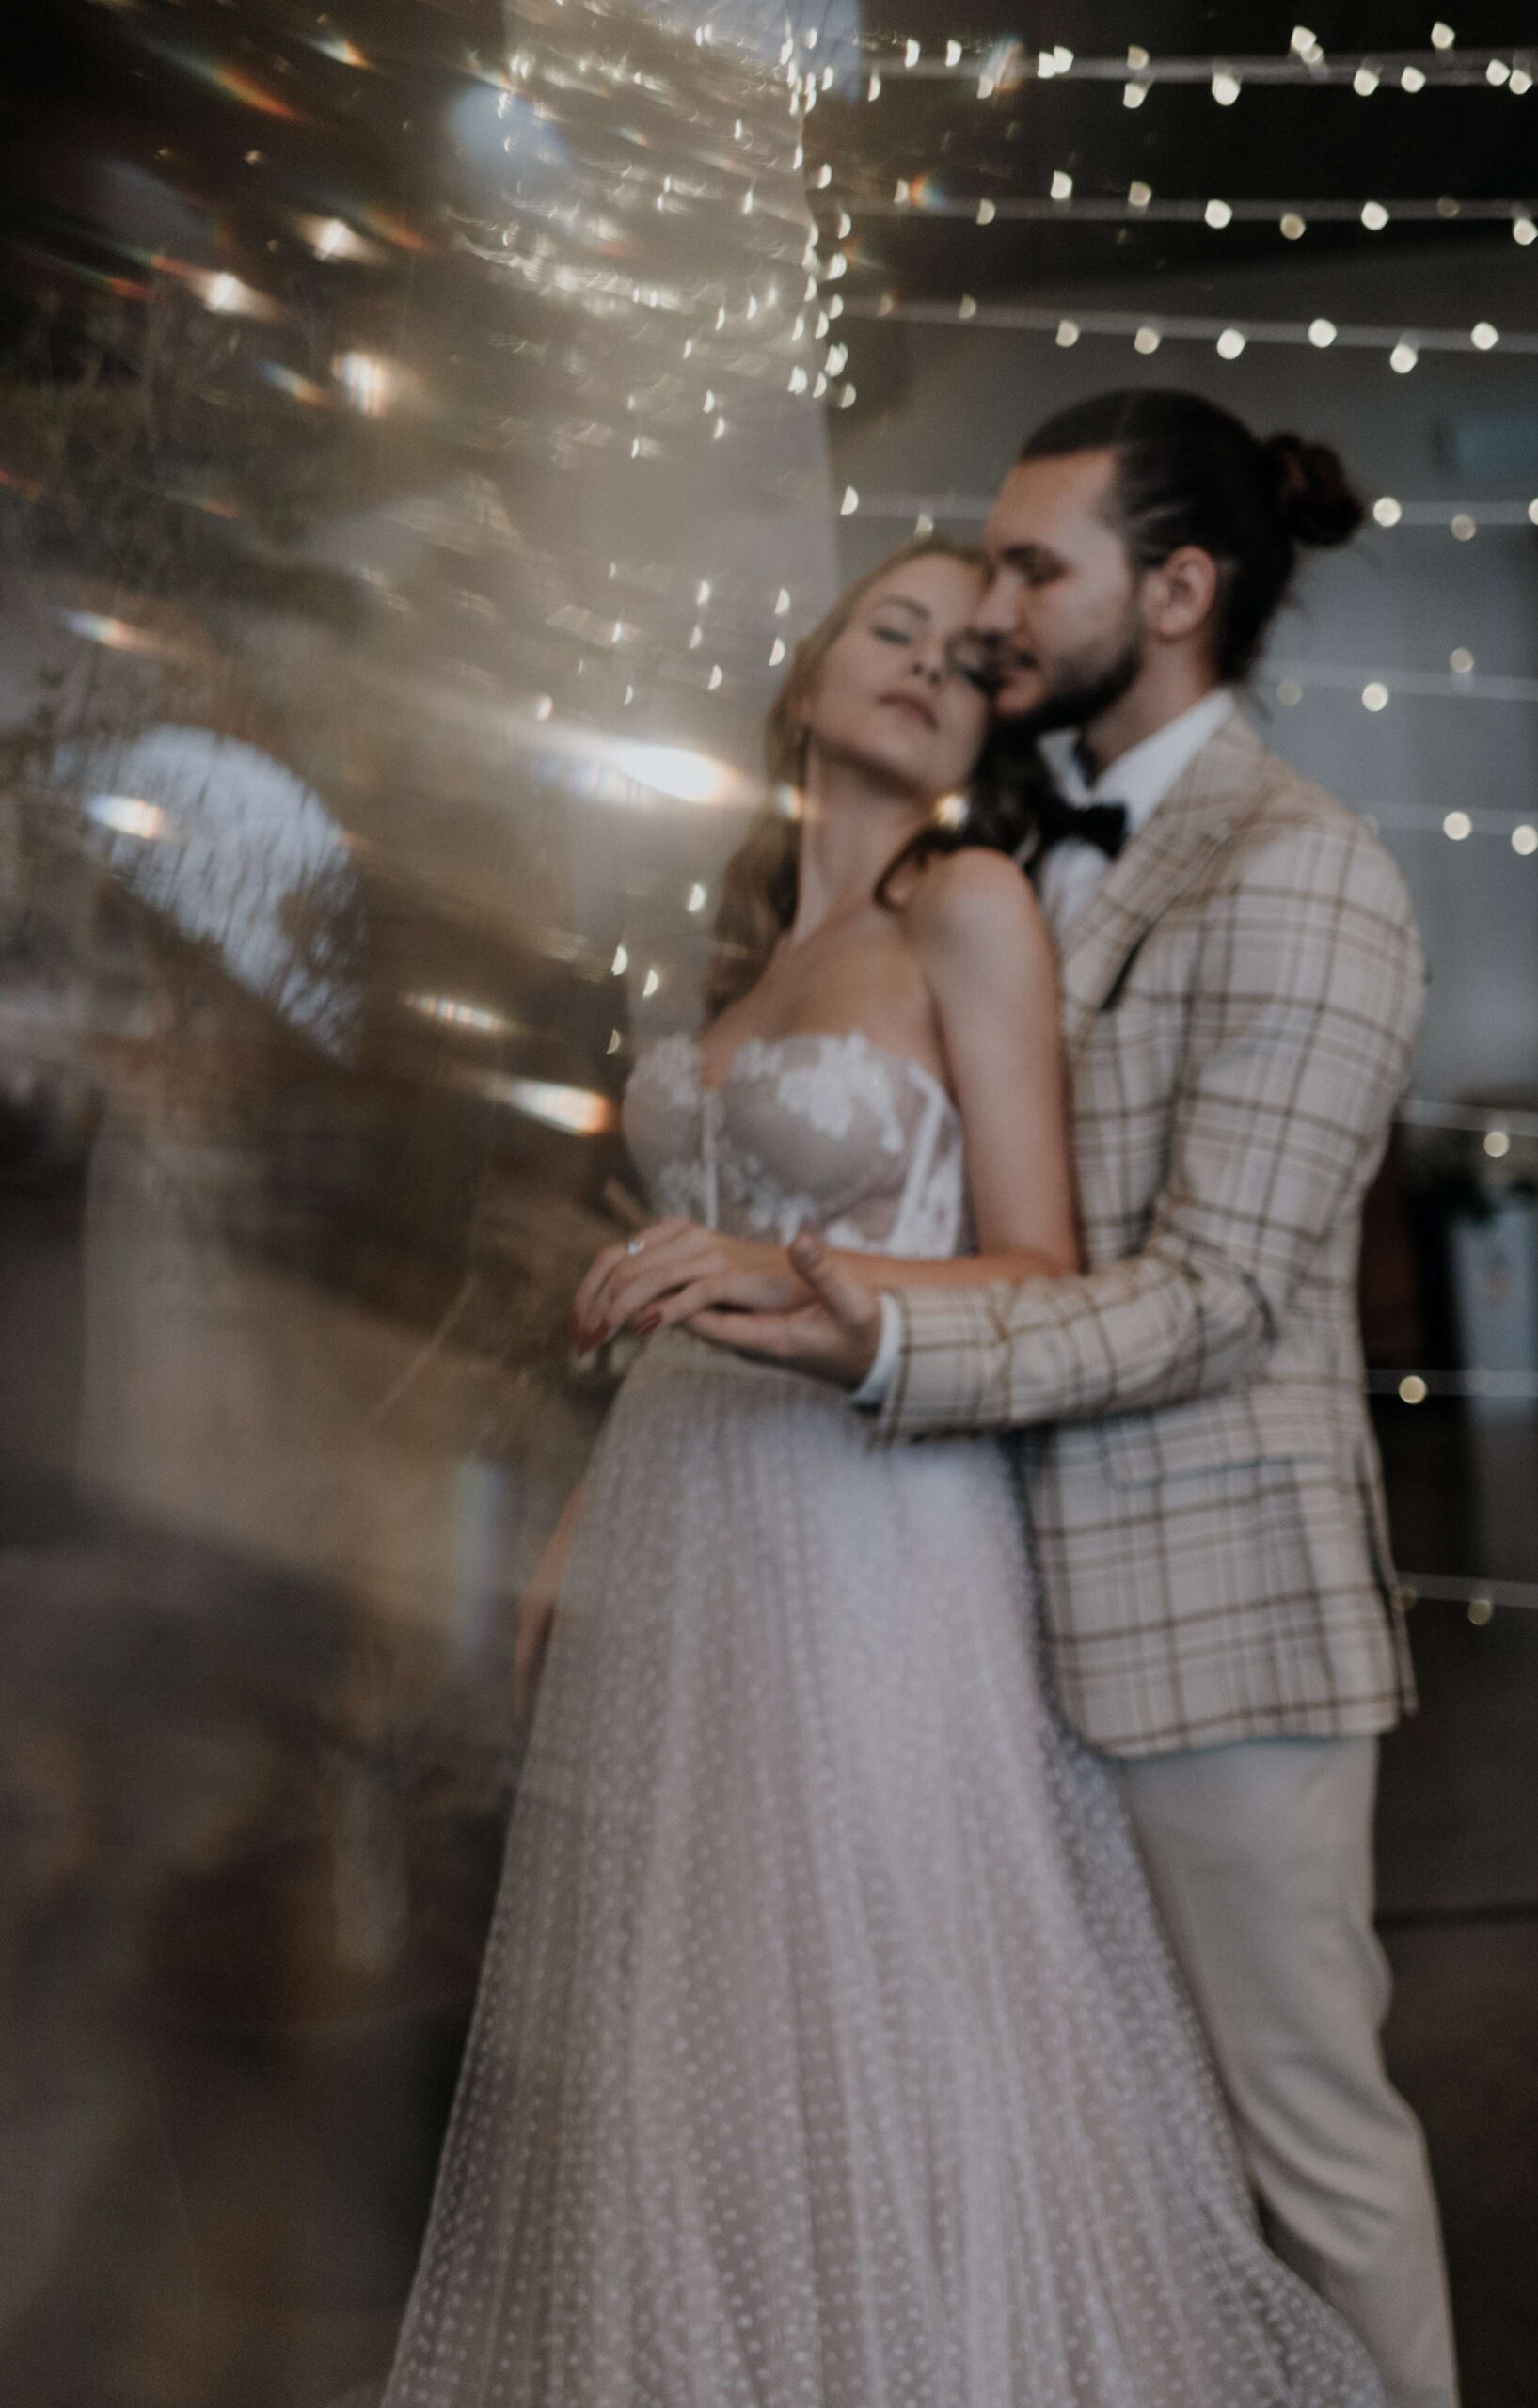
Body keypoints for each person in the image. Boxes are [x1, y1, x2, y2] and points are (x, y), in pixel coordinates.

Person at [383, 538, 1385, 2406]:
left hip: (875, 1517)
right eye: (894, 627)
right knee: (708, 1994)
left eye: (970, 659)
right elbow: (681, 1287)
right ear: (809, 675)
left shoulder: (965, 903)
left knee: (893, 1976)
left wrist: (778, 1266)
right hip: (680, 1507)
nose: (931, 664)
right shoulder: (737, 952)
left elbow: (1037, 1262)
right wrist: (583, 1523)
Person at [653, 393, 1457, 2408]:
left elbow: (1212, 1299)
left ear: (1174, 592)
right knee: (1114, 2154)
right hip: (973, 1610)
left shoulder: (1301, 867)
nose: (992, 614)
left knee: (1306, 2144)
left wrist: (865, 1327)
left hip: (1211, 1624)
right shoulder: (1001, 855)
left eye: (1032, 569)